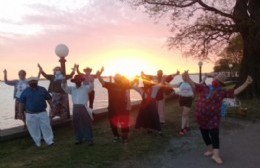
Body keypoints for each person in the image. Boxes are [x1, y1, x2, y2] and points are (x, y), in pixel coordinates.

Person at [185, 72, 253, 164]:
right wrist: (188, 78)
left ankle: (216, 155)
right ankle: (210, 150)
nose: (216, 82)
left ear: (221, 84)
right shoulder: (205, 87)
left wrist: (246, 83)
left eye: (219, 81)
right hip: (201, 116)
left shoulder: (222, 92)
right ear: (213, 79)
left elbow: (235, 91)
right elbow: (194, 85)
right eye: (216, 79)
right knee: (204, 134)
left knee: (214, 136)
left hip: (213, 118)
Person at [96, 68, 131, 143]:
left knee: (123, 122)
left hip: (122, 107)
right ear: (115, 79)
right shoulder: (110, 85)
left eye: (119, 77)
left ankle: (125, 137)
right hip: (112, 108)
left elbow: (127, 95)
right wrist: (99, 75)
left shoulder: (124, 85)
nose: (117, 79)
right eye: (116, 77)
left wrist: (128, 104)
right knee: (112, 122)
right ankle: (116, 136)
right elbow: (102, 82)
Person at [19, 77, 54, 147]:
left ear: (37, 82)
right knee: (33, 129)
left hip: (42, 112)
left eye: (34, 81)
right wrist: (20, 112)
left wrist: (52, 107)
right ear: (28, 83)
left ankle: (49, 141)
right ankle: (37, 142)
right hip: (30, 114)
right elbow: (21, 103)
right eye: (31, 81)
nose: (32, 82)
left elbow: (49, 98)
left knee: (46, 127)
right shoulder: (25, 91)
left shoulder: (42, 89)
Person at [61, 75, 94, 145]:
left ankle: (89, 139)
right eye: (76, 81)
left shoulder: (86, 88)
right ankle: (79, 139)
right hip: (75, 107)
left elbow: (91, 87)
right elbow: (64, 87)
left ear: (81, 81)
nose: (77, 82)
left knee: (87, 124)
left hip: (84, 107)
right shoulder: (72, 89)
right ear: (74, 82)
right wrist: (63, 81)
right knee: (76, 124)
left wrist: (91, 81)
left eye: (79, 80)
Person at [173, 71, 194, 136]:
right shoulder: (181, 83)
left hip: (188, 99)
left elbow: (194, 86)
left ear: (188, 76)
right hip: (181, 99)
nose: (184, 78)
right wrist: (164, 83)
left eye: (185, 76)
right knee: (186, 114)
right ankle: (187, 127)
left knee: (184, 114)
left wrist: (188, 77)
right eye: (183, 76)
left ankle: (182, 129)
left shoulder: (191, 83)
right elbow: (173, 85)